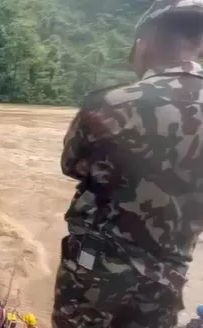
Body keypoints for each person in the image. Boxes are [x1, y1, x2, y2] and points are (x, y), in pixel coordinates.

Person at [54, 1, 203, 327]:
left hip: (95, 269)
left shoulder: (111, 103)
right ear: (198, 44)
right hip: (168, 275)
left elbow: (71, 164)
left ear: (144, 44)